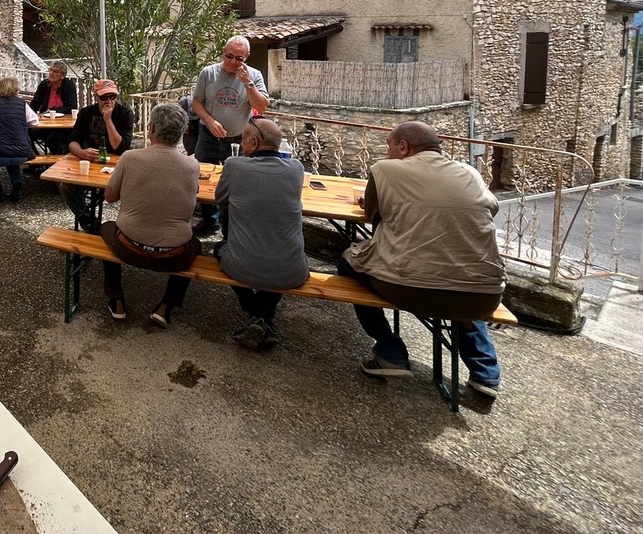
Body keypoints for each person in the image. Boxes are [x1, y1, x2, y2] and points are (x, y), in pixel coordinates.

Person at [339, 121, 505, 398]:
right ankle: (485, 373)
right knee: (462, 275)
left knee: (348, 263)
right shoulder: (470, 173)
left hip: (411, 289)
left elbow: (374, 216)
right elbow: (489, 210)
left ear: (403, 146)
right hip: (484, 296)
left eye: (389, 145)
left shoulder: (385, 170)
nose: (388, 151)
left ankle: (389, 350)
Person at [100, 102, 201, 327]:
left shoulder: (129, 157)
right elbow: (193, 194)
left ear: (152, 128)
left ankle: (116, 297)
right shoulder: (192, 165)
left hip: (129, 248)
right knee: (196, 244)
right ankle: (166, 306)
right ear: (183, 132)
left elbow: (110, 197)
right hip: (174, 256)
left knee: (105, 227)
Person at [213, 116, 308, 349]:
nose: (241, 144)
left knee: (218, 248)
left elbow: (220, 200)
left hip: (241, 267)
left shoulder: (234, 165)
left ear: (254, 143)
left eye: (243, 140)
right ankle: (264, 318)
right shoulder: (296, 169)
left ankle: (256, 315)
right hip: (293, 270)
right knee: (278, 256)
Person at [191, 36, 269, 235]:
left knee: (235, 185)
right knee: (203, 180)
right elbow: (197, 102)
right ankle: (209, 221)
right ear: (223, 52)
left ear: (247, 57)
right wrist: (210, 121)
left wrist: (248, 83)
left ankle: (229, 229)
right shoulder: (209, 72)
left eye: (239, 58)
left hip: (238, 141)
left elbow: (261, 107)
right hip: (208, 137)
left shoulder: (254, 76)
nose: (233, 62)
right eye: (229, 56)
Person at [61, 78, 135, 233]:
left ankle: (125, 232)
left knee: (132, 190)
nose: (108, 101)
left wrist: (108, 121)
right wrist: (81, 152)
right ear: (96, 97)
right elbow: (72, 141)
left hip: (117, 167)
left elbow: (121, 148)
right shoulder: (86, 113)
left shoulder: (125, 113)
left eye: (112, 97)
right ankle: (92, 226)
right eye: (104, 97)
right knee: (66, 186)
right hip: (92, 164)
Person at [29, 60, 78, 156]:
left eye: (55, 71)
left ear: (62, 75)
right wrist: (29, 113)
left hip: (63, 125)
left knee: (53, 140)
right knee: (27, 133)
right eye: (50, 70)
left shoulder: (68, 85)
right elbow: (35, 102)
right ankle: (36, 158)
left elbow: (72, 107)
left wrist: (53, 110)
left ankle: (57, 160)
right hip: (45, 123)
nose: (51, 73)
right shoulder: (44, 84)